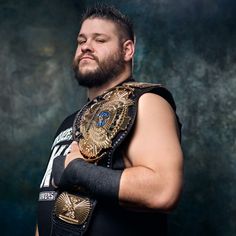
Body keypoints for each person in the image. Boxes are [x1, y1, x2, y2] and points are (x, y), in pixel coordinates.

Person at [36, 4, 183, 236]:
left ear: (127, 50)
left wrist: (77, 171)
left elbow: (163, 190)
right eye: (81, 40)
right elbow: (48, 200)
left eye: (100, 40)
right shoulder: (68, 123)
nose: (86, 46)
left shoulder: (146, 102)